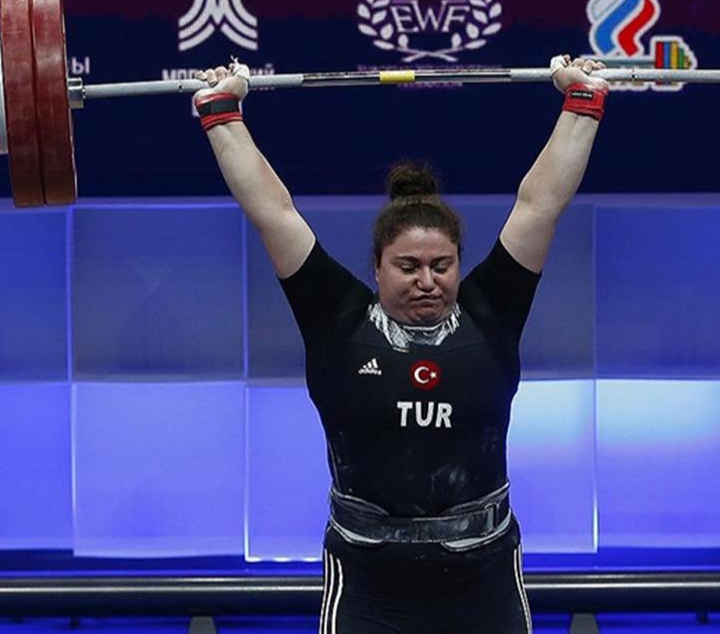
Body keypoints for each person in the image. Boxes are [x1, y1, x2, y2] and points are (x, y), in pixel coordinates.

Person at [193, 55, 608, 633]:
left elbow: (539, 206)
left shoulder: (491, 314)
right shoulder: (337, 320)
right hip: (370, 583)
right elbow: (273, 212)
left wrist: (583, 101)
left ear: (459, 263)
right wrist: (221, 112)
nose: (427, 280)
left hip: (482, 579)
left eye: (442, 265)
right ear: (378, 267)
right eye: (408, 266)